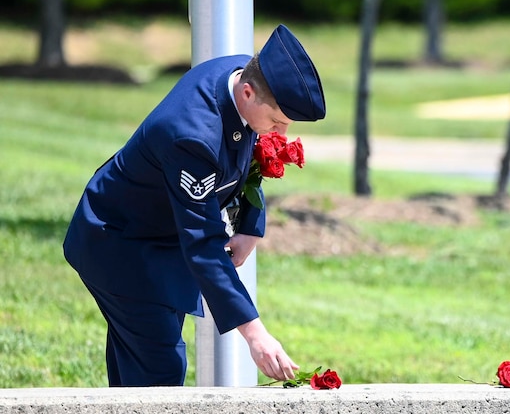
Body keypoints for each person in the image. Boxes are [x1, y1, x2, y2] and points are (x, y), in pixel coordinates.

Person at [63, 24, 325, 387]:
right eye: (277, 122)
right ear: (247, 93)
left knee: (140, 371)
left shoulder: (241, 74)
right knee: (160, 372)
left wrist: (250, 223)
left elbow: (244, 154)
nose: (279, 135)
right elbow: (202, 242)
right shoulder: (192, 136)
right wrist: (255, 335)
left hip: (155, 236)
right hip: (120, 245)